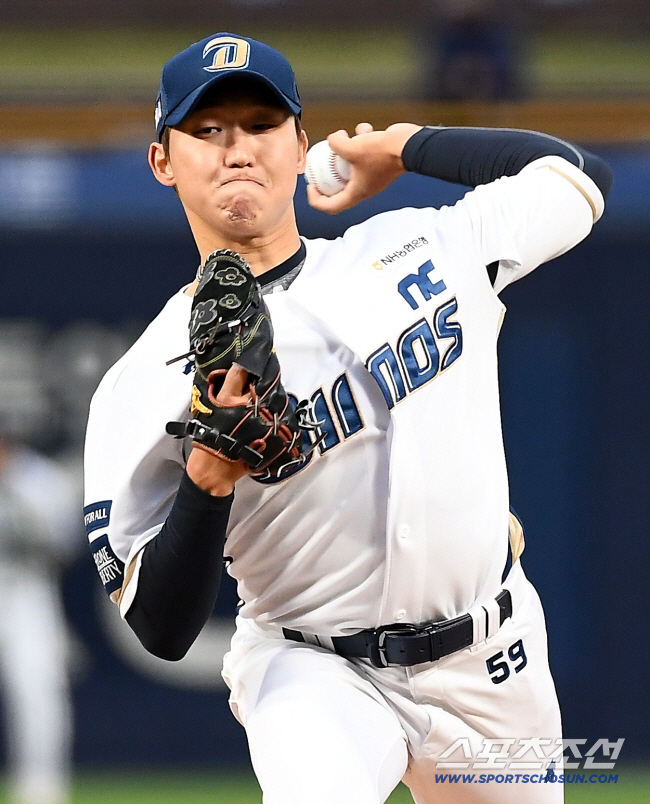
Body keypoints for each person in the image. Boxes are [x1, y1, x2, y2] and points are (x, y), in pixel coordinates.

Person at [83, 32, 612, 804]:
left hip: (490, 659)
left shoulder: (423, 245)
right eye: (208, 130)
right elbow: (161, 629)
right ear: (163, 161)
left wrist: (406, 147)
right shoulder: (140, 384)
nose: (237, 149)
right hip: (315, 670)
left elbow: (578, 180)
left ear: (302, 147)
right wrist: (206, 481)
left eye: (262, 126)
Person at [0, 427, 76, 804]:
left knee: (39, 692)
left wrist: (15, 489)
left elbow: (64, 543)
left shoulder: (38, 477)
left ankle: (42, 792)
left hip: (27, 590)